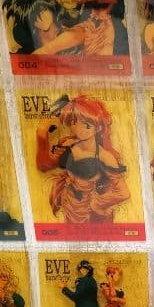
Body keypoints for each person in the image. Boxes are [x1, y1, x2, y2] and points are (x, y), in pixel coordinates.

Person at [35, 94, 131, 224]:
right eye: (73, 122)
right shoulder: (68, 144)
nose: (78, 129)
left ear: (98, 127)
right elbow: (44, 165)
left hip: (93, 217)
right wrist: (42, 133)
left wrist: (96, 204)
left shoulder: (104, 156)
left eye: (87, 125)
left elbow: (124, 193)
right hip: (71, 211)